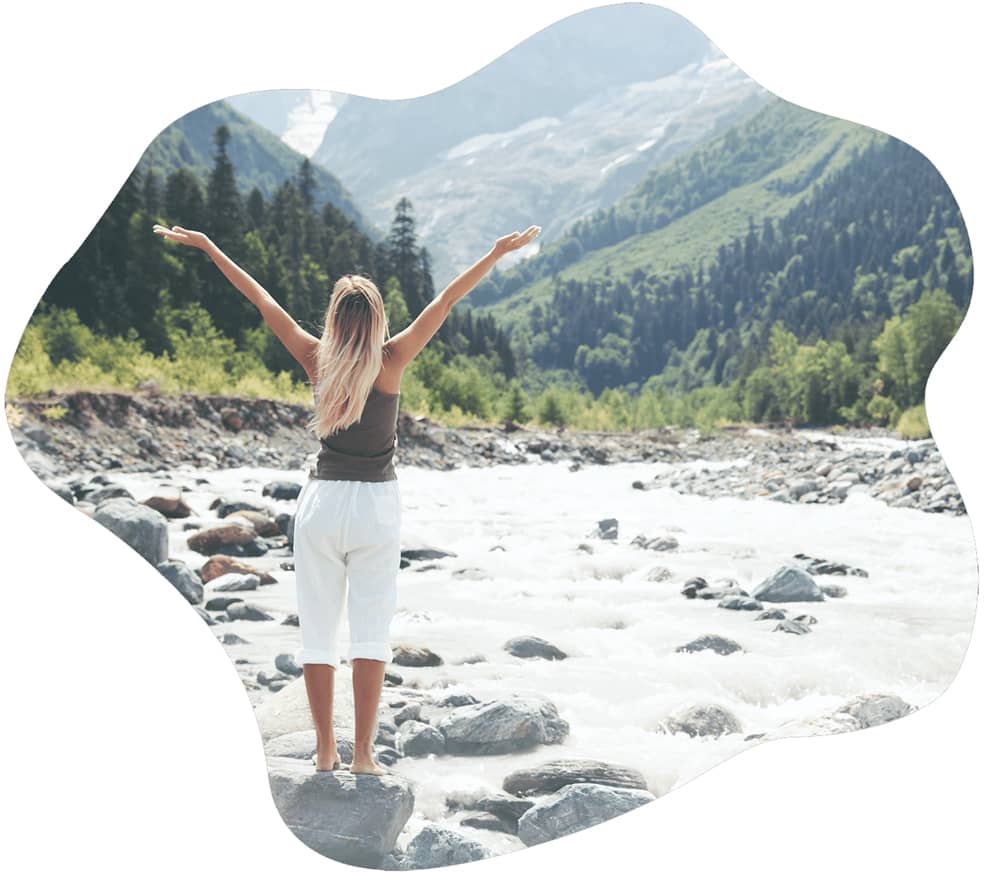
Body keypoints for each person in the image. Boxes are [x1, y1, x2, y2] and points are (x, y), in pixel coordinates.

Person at [152, 220, 541, 774]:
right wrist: (496, 253)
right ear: (378, 319)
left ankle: (324, 750)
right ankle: (362, 755)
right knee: (370, 632)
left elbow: (261, 298)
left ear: (333, 319)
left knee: (317, 630)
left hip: (321, 506)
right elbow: (447, 299)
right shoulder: (393, 358)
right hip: (376, 508)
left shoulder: (316, 357)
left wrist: (209, 245)